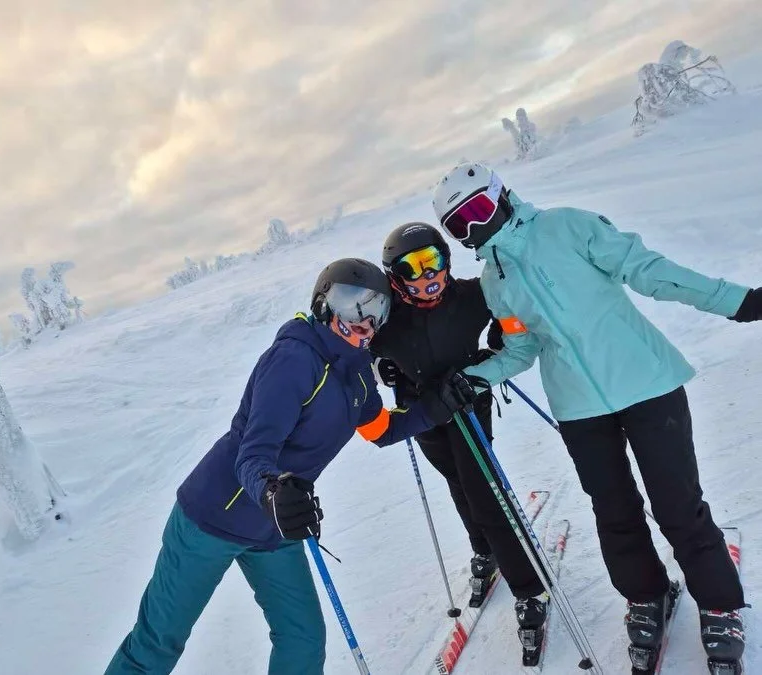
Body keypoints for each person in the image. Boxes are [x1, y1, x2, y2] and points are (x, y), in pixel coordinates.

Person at [431, 162, 761, 671]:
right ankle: (646, 595)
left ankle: (719, 604)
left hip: (647, 383)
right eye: (460, 226)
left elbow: (650, 270)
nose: (475, 229)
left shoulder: (567, 226)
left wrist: (735, 301)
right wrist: (478, 376)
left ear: (501, 196)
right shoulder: (495, 281)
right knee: (614, 511)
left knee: (678, 505)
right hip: (580, 409)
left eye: (477, 211)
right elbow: (523, 346)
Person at [104, 258, 470, 675]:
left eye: (377, 311)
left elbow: (381, 429)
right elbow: (253, 453)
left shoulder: (358, 376)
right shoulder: (294, 359)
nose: (365, 321)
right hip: (211, 519)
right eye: (352, 304)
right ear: (323, 303)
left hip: (274, 528)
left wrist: (436, 408)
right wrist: (273, 491)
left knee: (303, 639)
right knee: (158, 643)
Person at [368, 222, 547, 638]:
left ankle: (529, 588)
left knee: (484, 491)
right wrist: (379, 367)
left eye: (433, 261)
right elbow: (360, 351)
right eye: (412, 268)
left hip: (467, 405)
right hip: (421, 415)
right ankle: (484, 551)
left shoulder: (470, 295)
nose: (427, 276)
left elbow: (509, 320)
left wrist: (497, 345)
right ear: (395, 277)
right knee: (457, 483)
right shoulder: (386, 317)